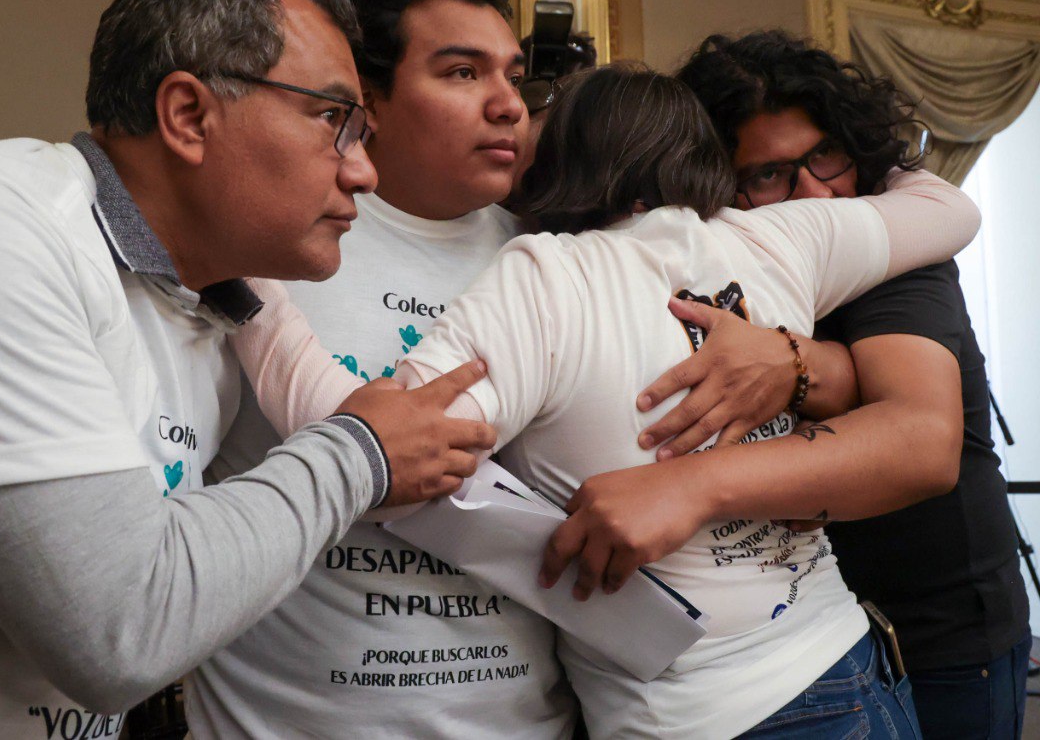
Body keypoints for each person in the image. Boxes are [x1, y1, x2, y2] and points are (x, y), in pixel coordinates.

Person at [0, 0, 496, 738]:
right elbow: (123, 629)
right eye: (333, 120)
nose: (364, 171)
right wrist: (363, 452)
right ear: (188, 115)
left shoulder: (212, 313)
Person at [229, 63, 981, 738]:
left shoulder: (549, 277)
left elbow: (386, 458)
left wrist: (248, 291)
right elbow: (952, 209)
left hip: (700, 714)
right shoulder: (785, 237)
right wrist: (873, 159)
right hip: (849, 668)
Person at [188, 0, 577, 739]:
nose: (508, 104)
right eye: (463, 73)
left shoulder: (556, 261)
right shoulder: (271, 255)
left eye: (511, 75)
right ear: (370, 101)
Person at [658, 30, 1030, 739]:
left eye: (823, 157)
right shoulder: (723, 255)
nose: (812, 192)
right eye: (770, 174)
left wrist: (787, 371)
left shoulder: (901, 248)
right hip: (814, 631)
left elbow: (921, 443)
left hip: (945, 625)